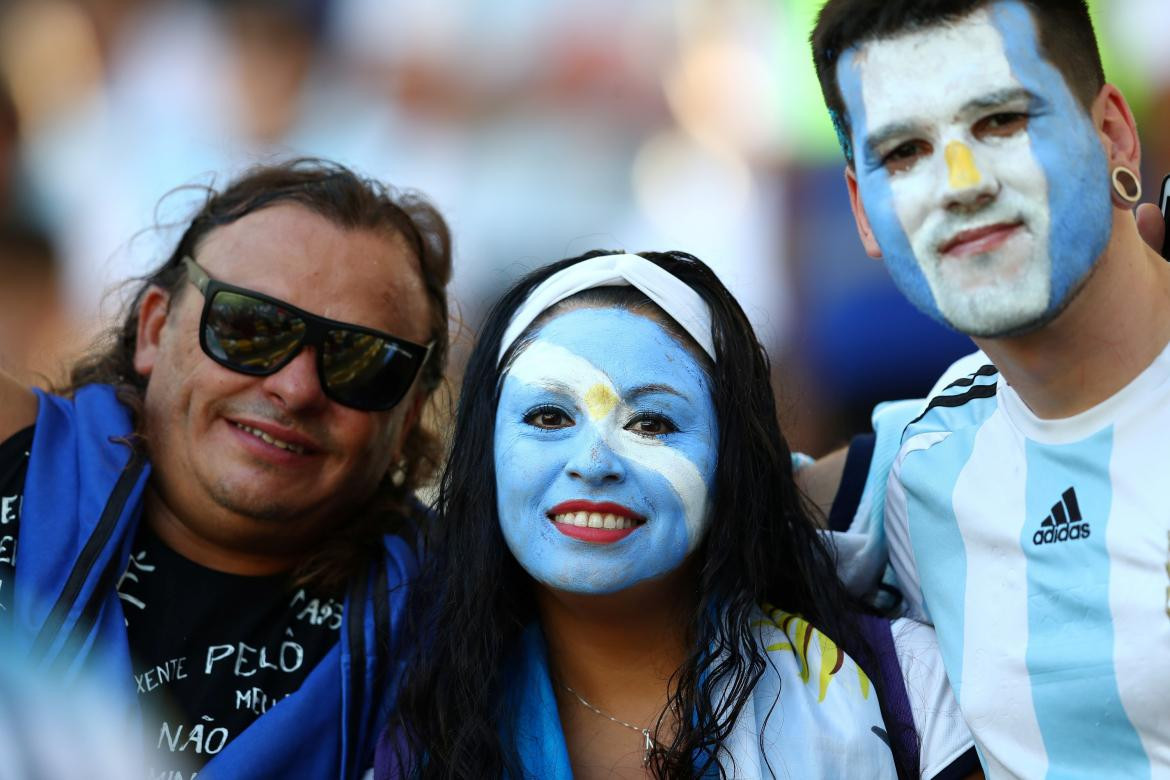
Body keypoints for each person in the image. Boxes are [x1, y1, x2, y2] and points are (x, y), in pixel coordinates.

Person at [377, 250, 977, 779]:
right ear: (486, 452)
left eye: (653, 423)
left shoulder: (904, 684)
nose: (593, 463)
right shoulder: (417, 716)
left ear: (730, 464)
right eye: (550, 418)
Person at [808, 0, 1170, 775]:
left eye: (1001, 121)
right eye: (904, 152)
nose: (960, 184)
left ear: (1114, 132)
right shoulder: (918, 468)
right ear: (862, 213)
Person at [0, 158, 452, 778]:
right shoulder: (12, 454)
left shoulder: (457, 619)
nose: (296, 389)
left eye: (362, 362)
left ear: (407, 420)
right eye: (250, 326)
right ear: (155, 330)